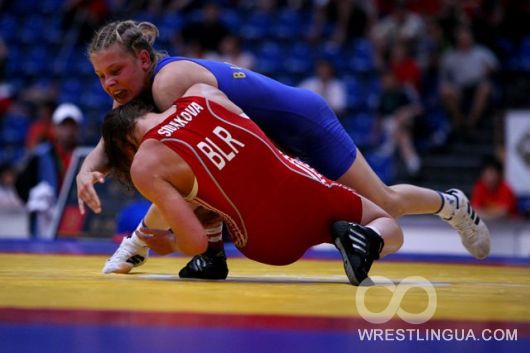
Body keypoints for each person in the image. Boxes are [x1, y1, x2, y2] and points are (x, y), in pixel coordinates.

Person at [78, 20, 490, 278]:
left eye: (116, 71)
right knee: (204, 180)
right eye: (101, 76)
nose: (110, 83)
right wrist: (87, 168)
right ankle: (210, 259)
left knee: (385, 202)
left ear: (145, 60)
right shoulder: (138, 94)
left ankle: (449, 204)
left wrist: (141, 240)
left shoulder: (169, 86)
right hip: (263, 138)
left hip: (302, 123)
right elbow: (114, 133)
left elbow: (189, 163)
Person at [101, 83, 404, 286]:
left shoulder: (146, 163)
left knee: (204, 190)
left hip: (267, 242)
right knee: (387, 224)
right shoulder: (201, 92)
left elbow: (193, 241)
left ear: (125, 147)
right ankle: (366, 239)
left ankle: (211, 261)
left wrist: (168, 244)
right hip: (306, 188)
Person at [16, 102, 83, 237]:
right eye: (63, 126)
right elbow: (20, 183)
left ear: (78, 129)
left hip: (75, 216)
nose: (68, 131)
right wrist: (33, 197)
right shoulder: (39, 155)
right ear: (54, 128)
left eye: (72, 126)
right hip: (45, 218)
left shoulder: (86, 155)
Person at [439, 26, 498, 132]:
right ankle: (459, 121)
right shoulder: (450, 56)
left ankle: (471, 122)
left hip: (478, 84)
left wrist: (489, 70)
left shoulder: (482, 52)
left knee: (485, 87)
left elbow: (495, 68)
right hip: (460, 87)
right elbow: (444, 75)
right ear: (457, 40)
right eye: (462, 38)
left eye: (467, 38)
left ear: (471, 39)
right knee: (445, 90)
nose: (464, 40)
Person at [471, 156, 518, 221]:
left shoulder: (505, 188)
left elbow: (504, 212)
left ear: (499, 174)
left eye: (491, 173)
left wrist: (483, 213)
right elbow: (474, 210)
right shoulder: (479, 186)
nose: (489, 178)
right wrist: (493, 213)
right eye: (486, 174)